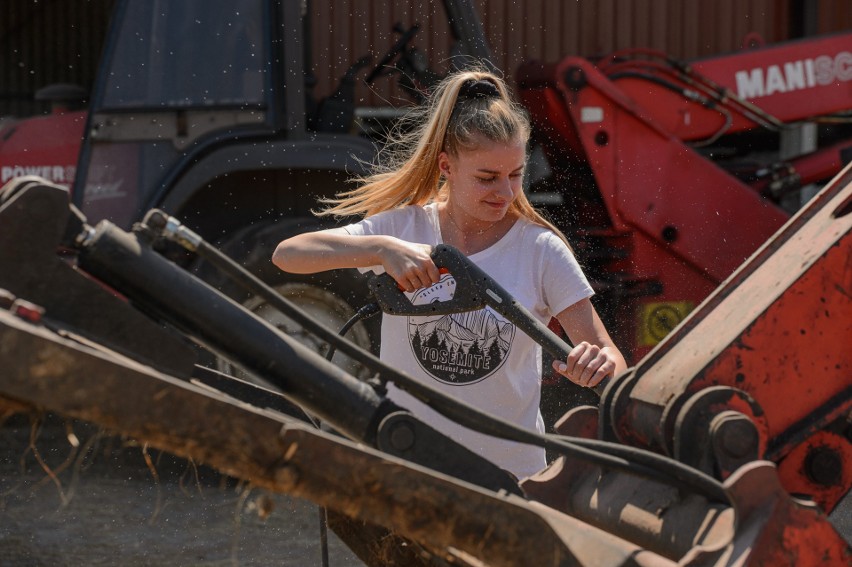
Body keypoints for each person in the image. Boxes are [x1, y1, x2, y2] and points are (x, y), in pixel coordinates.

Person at [272, 69, 627, 480]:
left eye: (515, 175)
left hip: (511, 478)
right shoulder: (403, 230)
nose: (506, 192)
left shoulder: (540, 250)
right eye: (487, 178)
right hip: (409, 465)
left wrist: (595, 365)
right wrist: (382, 249)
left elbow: (611, 359)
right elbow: (288, 255)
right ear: (446, 166)